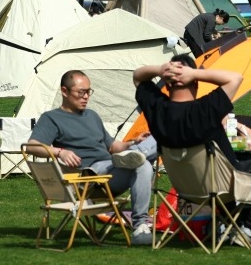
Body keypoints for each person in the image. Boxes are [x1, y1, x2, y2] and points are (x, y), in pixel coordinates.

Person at [134, 55, 251, 247]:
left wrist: (160, 70)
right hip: (223, 185)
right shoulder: (206, 108)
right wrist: (193, 73)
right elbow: (235, 78)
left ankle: (235, 225)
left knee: (242, 167)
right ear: (195, 82)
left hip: (185, 190)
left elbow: (138, 77)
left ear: (167, 83)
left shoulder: (157, 109)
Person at [26, 70, 157, 245]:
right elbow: (31, 146)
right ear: (64, 91)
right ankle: (140, 223)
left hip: (110, 170)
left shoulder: (92, 116)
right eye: (81, 92)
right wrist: (60, 152)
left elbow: (111, 146)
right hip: (89, 178)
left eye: (89, 92)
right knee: (143, 163)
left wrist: (131, 143)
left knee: (159, 140)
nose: (86, 96)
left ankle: (138, 154)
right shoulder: (52, 118)